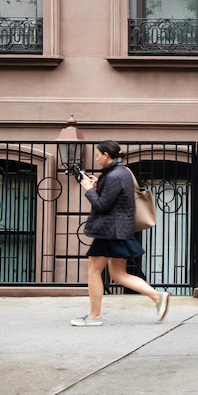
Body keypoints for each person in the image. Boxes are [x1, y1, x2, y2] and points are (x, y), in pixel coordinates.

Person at [71, 140, 170, 326]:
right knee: (117, 273)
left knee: (93, 271)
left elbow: (102, 205)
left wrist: (89, 190)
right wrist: (98, 184)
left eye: (98, 155)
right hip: (120, 230)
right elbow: (117, 195)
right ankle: (158, 297)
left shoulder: (113, 176)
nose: (97, 159)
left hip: (109, 231)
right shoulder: (123, 171)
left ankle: (94, 316)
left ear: (106, 155)